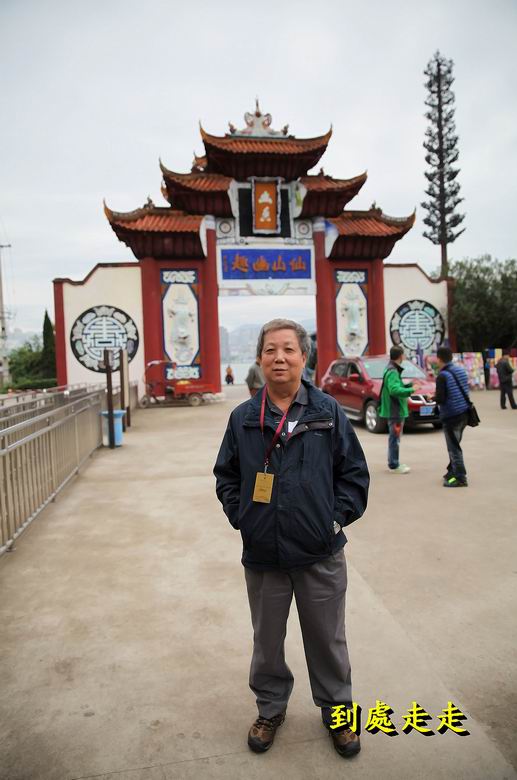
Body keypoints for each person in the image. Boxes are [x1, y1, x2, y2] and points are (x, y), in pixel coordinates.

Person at [214, 319, 369, 759]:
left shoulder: (327, 412)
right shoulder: (244, 418)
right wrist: (243, 518)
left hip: (320, 553)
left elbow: (354, 474)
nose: (279, 357)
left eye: (288, 349)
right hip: (264, 555)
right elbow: (226, 476)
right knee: (266, 642)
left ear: (304, 357)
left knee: (327, 640)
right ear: (260, 359)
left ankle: (338, 712)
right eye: (270, 350)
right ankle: (270, 709)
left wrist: (333, 522)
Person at [434, 346, 470, 487]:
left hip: (451, 416)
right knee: (455, 445)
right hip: (464, 413)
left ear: (439, 359)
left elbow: (441, 398)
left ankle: (460, 478)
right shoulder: (460, 370)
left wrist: (432, 397)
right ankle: (452, 471)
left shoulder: (442, 376)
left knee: (454, 448)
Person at [379, 346, 414, 474]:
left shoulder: (390, 369)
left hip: (394, 410)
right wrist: (411, 390)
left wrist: (408, 385)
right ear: (401, 356)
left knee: (394, 438)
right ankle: (394, 465)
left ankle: (394, 463)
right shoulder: (393, 371)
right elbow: (394, 390)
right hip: (395, 411)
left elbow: (395, 386)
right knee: (395, 438)